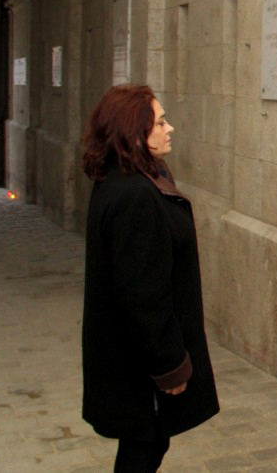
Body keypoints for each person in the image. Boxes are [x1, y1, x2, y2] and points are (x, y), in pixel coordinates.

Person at [81, 84, 219, 472]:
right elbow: (143, 294)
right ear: (133, 132)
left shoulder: (124, 178)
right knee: (144, 447)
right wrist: (169, 365)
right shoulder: (135, 195)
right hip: (138, 362)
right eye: (159, 123)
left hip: (129, 355)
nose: (169, 128)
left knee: (149, 443)